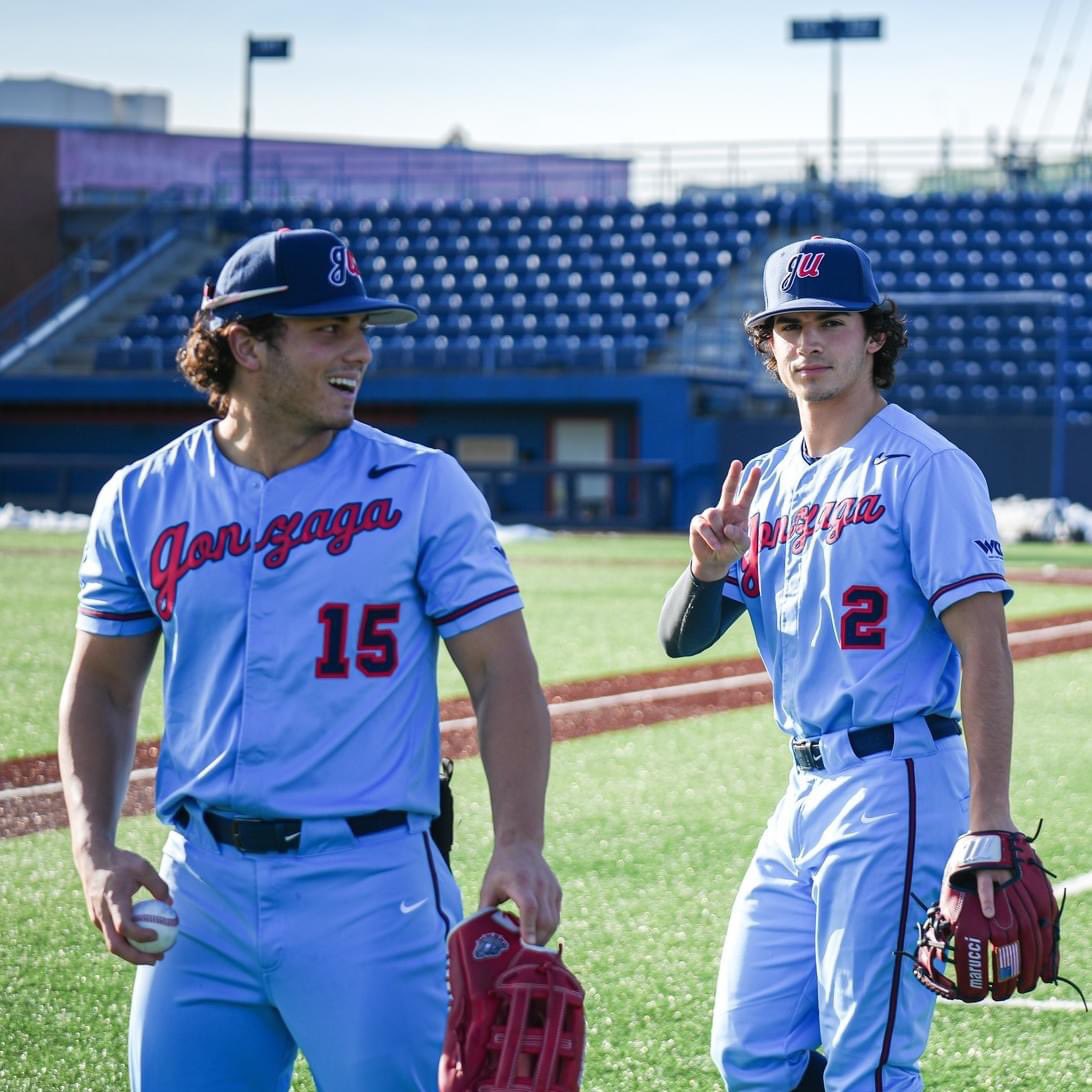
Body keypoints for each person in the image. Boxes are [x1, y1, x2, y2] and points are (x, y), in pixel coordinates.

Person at [59, 227, 562, 1091]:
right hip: (202, 887)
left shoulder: (424, 485)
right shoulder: (141, 496)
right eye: (327, 329)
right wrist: (94, 848)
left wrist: (519, 839)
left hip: (371, 888)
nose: (359, 350)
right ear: (244, 343)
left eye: (361, 327)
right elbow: (103, 685)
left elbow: (502, 674)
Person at [659, 236, 1016, 1091]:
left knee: (871, 1061)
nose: (807, 344)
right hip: (805, 790)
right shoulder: (769, 481)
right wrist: (707, 571)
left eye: (830, 322)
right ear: (768, 344)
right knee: (749, 1053)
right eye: (788, 326)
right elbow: (680, 637)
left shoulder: (923, 466)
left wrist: (990, 816)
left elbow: (984, 647)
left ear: (874, 337)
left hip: (898, 778)